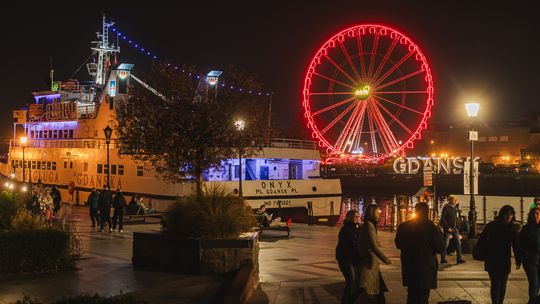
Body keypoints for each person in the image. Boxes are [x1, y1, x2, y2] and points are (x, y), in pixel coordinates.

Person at [395, 202, 445, 304]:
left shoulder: (404, 226)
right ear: (427, 212)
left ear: (415, 211)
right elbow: (440, 247)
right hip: (426, 267)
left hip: (409, 266)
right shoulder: (431, 227)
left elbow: (398, 244)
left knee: (412, 295)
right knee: (423, 297)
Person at [478, 205, 521, 304]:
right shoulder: (493, 225)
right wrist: (482, 252)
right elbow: (483, 239)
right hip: (493, 257)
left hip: (504, 259)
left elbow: (516, 245)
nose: (509, 216)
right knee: (496, 283)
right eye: (507, 214)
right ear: (502, 214)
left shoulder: (512, 228)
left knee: (503, 284)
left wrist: (518, 259)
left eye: (511, 214)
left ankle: (499, 302)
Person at [357, 204, 391, 303]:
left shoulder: (368, 225)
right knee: (370, 290)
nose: (379, 215)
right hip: (369, 264)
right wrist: (385, 259)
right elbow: (373, 245)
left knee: (374, 290)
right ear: (372, 214)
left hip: (370, 263)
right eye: (377, 213)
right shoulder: (369, 226)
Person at [335, 210, 362, 304]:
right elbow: (354, 241)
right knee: (351, 280)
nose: (358, 218)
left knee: (356, 281)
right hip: (345, 258)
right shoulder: (347, 229)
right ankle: (345, 301)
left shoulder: (355, 228)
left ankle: (349, 299)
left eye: (359, 216)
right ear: (350, 218)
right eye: (356, 217)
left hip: (351, 257)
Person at [519, 207, 540, 302]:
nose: (536, 216)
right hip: (530, 260)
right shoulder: (526, 229)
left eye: (538, 214)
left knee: (537, 283)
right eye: (534, 214)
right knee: (534, 283)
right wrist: (524, 256)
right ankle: (532, 301)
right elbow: (521, 245)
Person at [440, 195, 465, 264]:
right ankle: (443, 258)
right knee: (445, 244)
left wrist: (457, 224)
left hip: (454, 228)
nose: (455, 201)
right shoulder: (446, 208)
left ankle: (459, 259)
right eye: (454, 200)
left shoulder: (455, 209)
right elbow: (443, 218)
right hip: (448, 229)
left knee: (458, 243)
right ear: (450, 200)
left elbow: (455, 218)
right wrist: (447, 227)